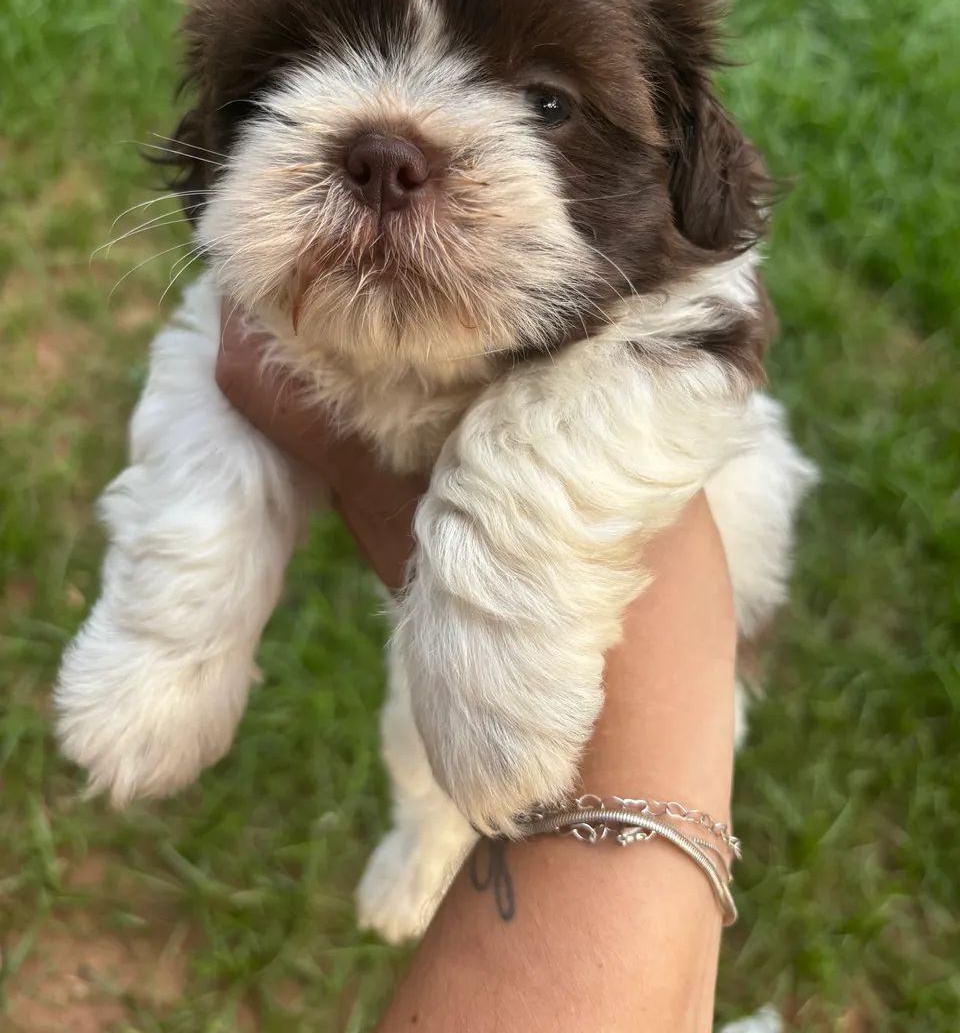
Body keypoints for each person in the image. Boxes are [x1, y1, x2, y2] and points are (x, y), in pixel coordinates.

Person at [216, 311, 739, 1033]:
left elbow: (706, 331)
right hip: (668, 682)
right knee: (430, 714)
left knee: (454, 707)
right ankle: (428, 842)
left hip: (677, 583)